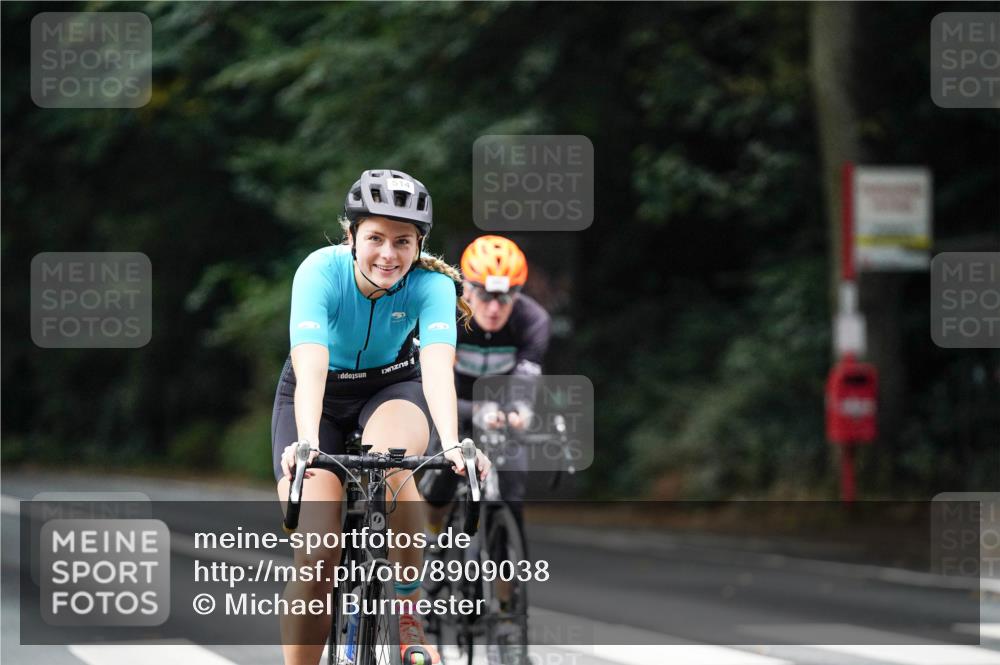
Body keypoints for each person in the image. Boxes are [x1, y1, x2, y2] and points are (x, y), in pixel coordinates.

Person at [273, 169, 490, 665]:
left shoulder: (431, 285)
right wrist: (307, 442)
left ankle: (409, 614)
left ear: (419, 245)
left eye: (402, 241)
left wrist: (453, 444)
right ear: (351, 237)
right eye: (375, 238)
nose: (388, 254)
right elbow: (311, 366)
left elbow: (437, 368)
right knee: (316, 558)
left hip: (392, 388)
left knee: (394, 469)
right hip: (318, 397)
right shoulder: (318, 271)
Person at [421, 235, 551, 547]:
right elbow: (433, 382)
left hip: (501, 413)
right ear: (467, 289)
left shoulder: (532, 320)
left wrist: (520, 410)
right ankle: (433, 540)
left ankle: (508, 590)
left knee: (513, 494)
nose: (494, 308)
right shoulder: (447, 316)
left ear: (517, 294)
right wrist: (475, 412)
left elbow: (527, 375)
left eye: (505, 297)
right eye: (484, 295)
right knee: (438, 491)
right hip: (454, 407)